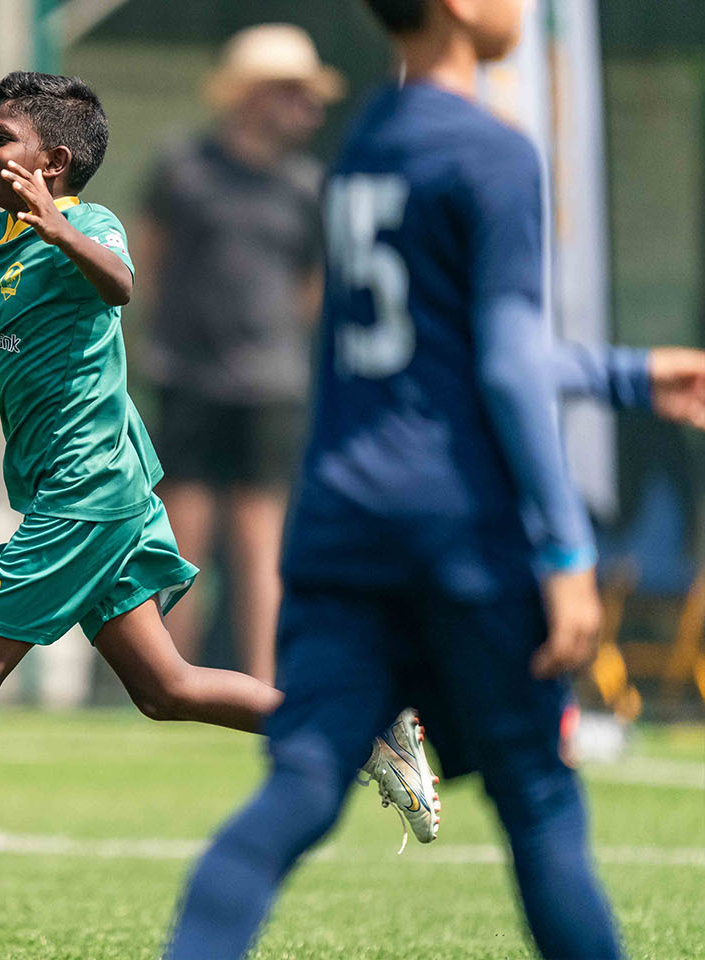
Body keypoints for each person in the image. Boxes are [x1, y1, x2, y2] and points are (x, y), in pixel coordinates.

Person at [0, 71, 437, 958]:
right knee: (166, 689)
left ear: (53, 162)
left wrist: (54, 221)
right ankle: (363, 720)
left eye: (0, 138)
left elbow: (120, 285)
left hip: (88, 493)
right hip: (95, 493)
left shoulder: (87, 226)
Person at [163, 1, 705, 957]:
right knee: (538, 797)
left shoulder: (364, 138)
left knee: (297, 790)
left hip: (344, 527)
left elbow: (433, 353)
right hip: (460, 536)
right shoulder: (494, 151)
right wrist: (566, 547)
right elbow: (502, 366)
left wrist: (625, 373)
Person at [139, 23, 341, 680]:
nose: (306, 110)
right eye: (292, 94)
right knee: (180, 541)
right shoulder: (184, 168)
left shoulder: (306, 187)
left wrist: (273, 344)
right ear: (252, 96)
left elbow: (313, 287)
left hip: (270, 385)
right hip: (189, 377)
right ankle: (169, 683)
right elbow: (147, 260)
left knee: (261, 546)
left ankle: (261, 690)